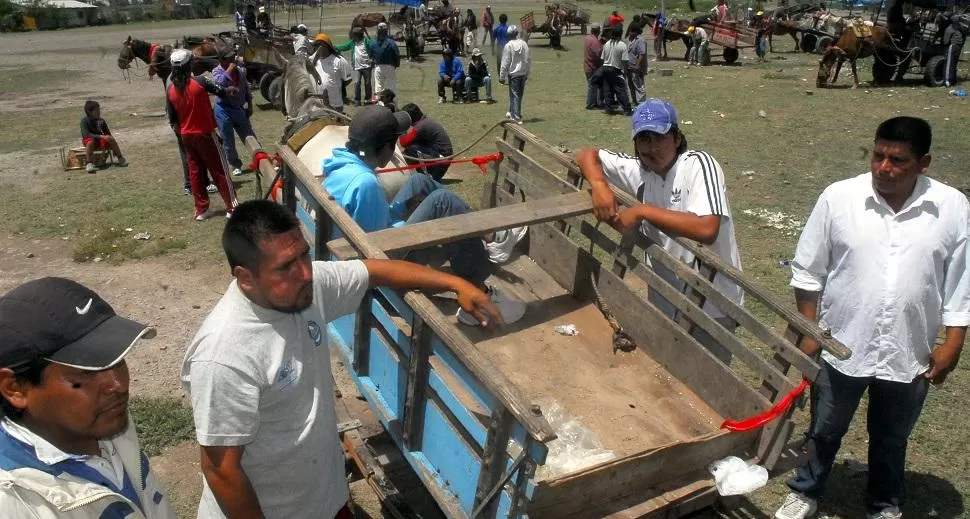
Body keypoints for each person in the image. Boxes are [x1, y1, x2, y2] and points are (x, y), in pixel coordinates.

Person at [181, 201, 506, 519]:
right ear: (246, 278)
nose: (305, 272)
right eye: (285, 267)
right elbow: (221, 470)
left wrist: (456, 283)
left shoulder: (306, 289)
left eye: (304, 254)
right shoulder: (224, 355)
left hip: (325, 499)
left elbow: (374, 271)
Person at [774, 117, 970, 519]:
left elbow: (959, 280)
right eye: (878, 155)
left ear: (924, 163)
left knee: (891, 437)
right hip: (842, 341)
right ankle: (805, 490)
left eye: (898, 160)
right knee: (825, 427)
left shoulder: (951, 207)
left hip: (909, 346)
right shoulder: (839, 197)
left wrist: (953, 342)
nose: (883, 168)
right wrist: (810, 328)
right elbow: (807, 270)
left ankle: (884, 503)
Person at [321, 106, 526, 326]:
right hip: (382, 267)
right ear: (385, 148)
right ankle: (477, 287)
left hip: (362, 243)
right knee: (442, 201)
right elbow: (379, 250)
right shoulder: (365, 184)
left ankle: (490, 237)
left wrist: (403, 209)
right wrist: (420, 223)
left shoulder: (341, 165)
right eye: (395, 143)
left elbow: (371, 223)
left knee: (420, 182)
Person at [576, 99, 743, 363]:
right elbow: (587, 154)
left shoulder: (697, 165)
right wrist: (598, 185)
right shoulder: (639, 170)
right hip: (665, 297)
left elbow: (707, 228)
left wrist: (643, 211)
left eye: (660, 138)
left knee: (706, 385)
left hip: (711, 305)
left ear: (676, 138)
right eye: (644, 139)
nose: (652, 148)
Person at [0, 277, 175, 519]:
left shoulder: (102, 422)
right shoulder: (14, 503)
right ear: (15, 388)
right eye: (85, 373)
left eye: (118, 361)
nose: (119, 385)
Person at [166, 49, 238, 221]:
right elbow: (221, 91)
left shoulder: (170, 89)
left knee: (195, 171)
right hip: (205, 133)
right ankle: (232, 207)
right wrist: (232, 89)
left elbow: (173, 119)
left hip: (186, 136)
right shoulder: (200, 81)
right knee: (219, 169)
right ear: (189, 65)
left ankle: (201, 210)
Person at [212, 50, 256, 177]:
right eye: (229, 59)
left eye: (233, 58)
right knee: (228, 139)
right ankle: (235, 165)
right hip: (223, 109)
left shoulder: (240, 71)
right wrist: (229, 70)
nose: (232, 61)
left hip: (238, 108)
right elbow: (219, 83)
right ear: (221, 60)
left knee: (249, 134)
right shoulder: (216, 71)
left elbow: (246, 88)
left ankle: (259, 158)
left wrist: (250, 104)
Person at [399, 103, 454, 180]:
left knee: (410, 149)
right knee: (412, 147)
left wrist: (402, 128)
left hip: (442, 159)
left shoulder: (420, 127)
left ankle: (427, 175)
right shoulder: (425, 121)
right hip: (443, 155)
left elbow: (403, 142)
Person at [80, 100, 127, 174]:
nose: (99, 112)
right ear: (89, 111)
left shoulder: (101, 120)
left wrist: (110, 141)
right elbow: (86, 134)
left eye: (99, 110)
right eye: (96, 110)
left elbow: (107, 133)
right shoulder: (84, 121)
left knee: (110, 138)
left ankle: (120, 157)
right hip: (90, 141)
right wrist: (101, 136)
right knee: (90, 142)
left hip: (100, 140)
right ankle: (89, 163)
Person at [311, 33, 353, 113]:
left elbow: (347, 79)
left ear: (327, 46)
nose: (317, 49)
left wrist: (335, 86)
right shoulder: (314, 61)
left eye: (320, 46)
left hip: (335, 103)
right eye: (315, 46)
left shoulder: (339, 60)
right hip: (318, 105)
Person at [334, 27, 373, 106]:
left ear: (358, 35)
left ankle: (368, 100)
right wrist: (333, 47)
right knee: (357, 83)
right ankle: (357, 100)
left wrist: (372, 59)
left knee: (367, 83)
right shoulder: (352, 43)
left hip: (367, 67)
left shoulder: (367, 42)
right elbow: (343, 47)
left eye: (353, 35)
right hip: (356, 67)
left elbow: (374, 50)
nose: (352, 37)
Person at [499, 25, 530, 124]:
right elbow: (528, 59)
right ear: (516, 34)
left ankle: (516, 117)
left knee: (514, 95)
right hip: (522, 73)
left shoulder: (509, 45)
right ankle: (515, 113)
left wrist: (502, 76)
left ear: (508, 35)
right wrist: (527, 73)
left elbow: (505, 62)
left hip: (513, 74)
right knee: (519, 95)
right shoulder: (524, 44)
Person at [600, 25, 633, 116]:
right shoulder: (622, 45)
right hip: (615, 69)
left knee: (608, 89)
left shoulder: (606, 44)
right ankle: (627, 109)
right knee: (620, 90)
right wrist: (625, 74)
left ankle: (608, 109)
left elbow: (603, 58)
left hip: (605, 68)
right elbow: (625, 61)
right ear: (620, 34)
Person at [370, 22, 400, 101]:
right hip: (390, 66)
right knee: (391, 87)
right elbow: (397, 55)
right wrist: (396, 65)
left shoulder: (373, 43)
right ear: (386, 30)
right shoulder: (391, 42)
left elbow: (371, 56)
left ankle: (378, 105)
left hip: (378, 67)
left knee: (378, 87)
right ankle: (393, 105)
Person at [584, 24, 604, 110]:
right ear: (598, 31)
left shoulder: (588, 38)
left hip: (587, 65)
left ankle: (594, 103)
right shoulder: (595, 41)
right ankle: (590, 104)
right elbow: (599, 54)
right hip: (593, 67)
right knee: (592, 86)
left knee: (593, 86)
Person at [626, 25, 648, 104]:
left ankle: (641, 103)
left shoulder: (640, 40)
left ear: (635, 31)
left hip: (636, 67)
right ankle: (635, 101)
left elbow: (642, 53)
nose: (629, 33)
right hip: (630, 66)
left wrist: (637, 65)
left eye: (631, 31)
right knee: (631, 85)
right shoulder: (632, 40)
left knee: (638, 86)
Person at [943, 15, 963, 87]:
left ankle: (953, 80)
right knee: (949, 64)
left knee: (953, 64)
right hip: (953, 46)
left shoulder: (957, 28)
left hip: (957, 47)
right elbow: (946, 41)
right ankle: (947, 81)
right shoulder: (950, 29)